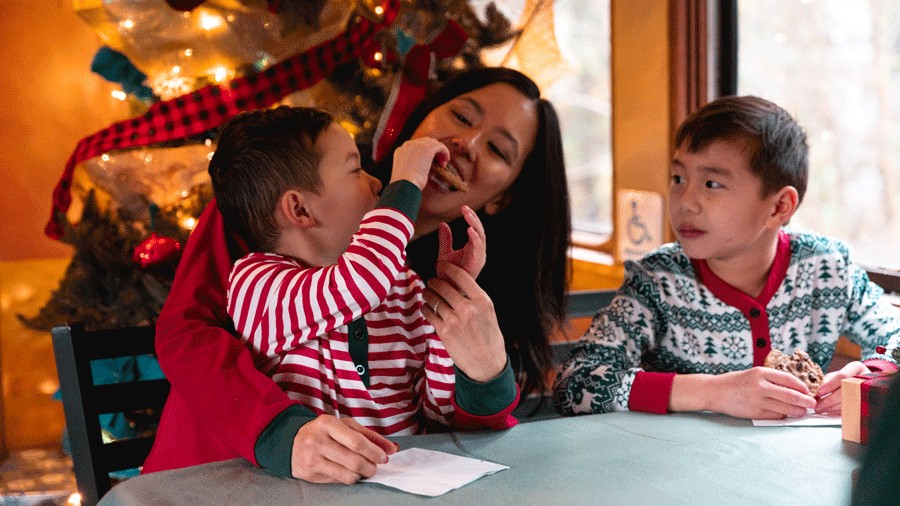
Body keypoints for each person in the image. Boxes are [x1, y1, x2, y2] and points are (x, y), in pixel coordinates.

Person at [142, 67, 571, 484]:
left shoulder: (455, 275)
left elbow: (453, 428)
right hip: (219, 476)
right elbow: (186, 333)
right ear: (424, 117)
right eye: (461, 117)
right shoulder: (287, 189)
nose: (465, 144)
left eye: (498, 150)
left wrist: (484, 372)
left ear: (505, 195)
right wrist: (280, 433)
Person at [553, 95, 900, 420]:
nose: (685, 202)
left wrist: (870, 378)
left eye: (712, 184)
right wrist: (713, 393)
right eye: (678, 178)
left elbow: (895, 337)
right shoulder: (658, 281)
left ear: (779, 207)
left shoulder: (827, 268)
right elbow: (574, 383)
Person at [209, 105, 514, 437]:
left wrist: (447, 303)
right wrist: (407, 182)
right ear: (299, 209)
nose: (377, 182)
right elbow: (360, 281)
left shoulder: (403, 286)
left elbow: (440, 413)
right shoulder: (256, 285)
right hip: (304, 488)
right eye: (355, 169)